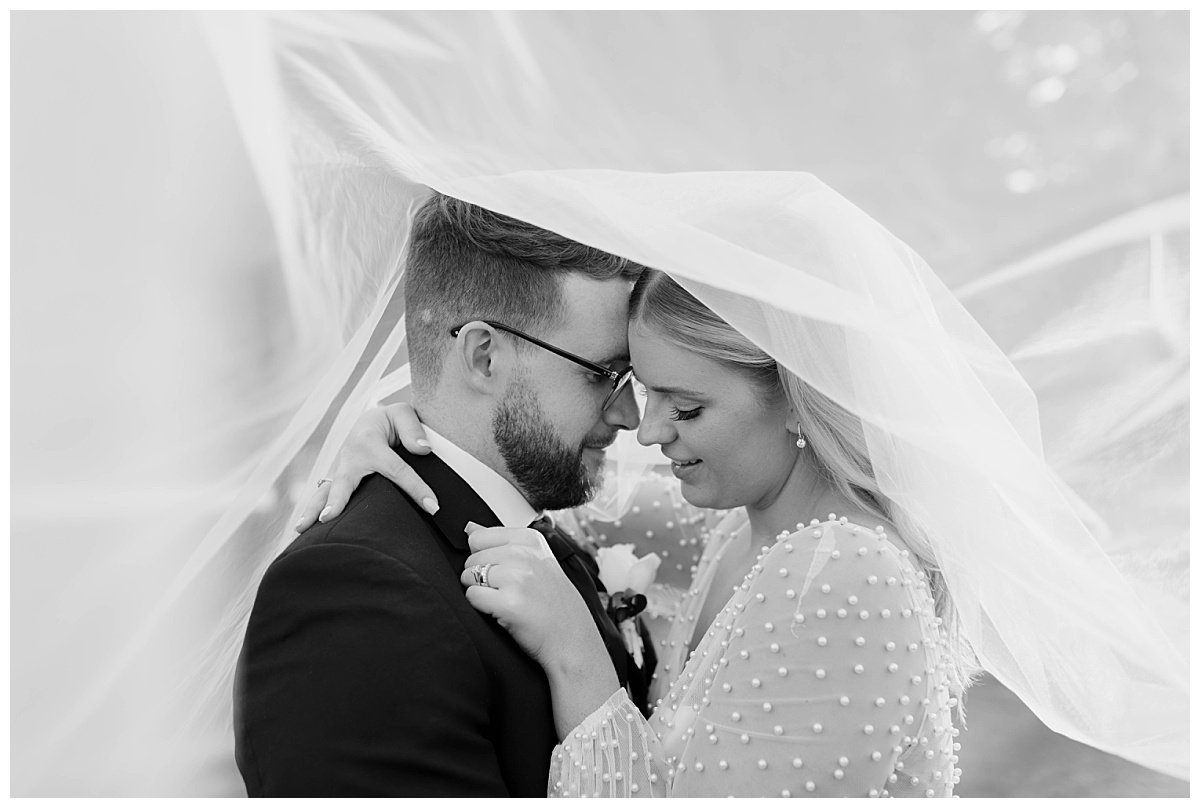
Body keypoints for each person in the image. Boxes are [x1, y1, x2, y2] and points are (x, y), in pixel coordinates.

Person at [305, 268, 974, 797]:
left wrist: (580, 661)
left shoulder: (844, 571)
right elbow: (509, 477)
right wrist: (406, 429)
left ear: (798, 397)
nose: (648, 431)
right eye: (643, 390)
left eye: (686, 406)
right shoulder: (733, 530)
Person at [234, 192, 657, 796]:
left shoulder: (539, 532)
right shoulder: (357, 591)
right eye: (603, 376)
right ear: (483, 356)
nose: (631, 416)